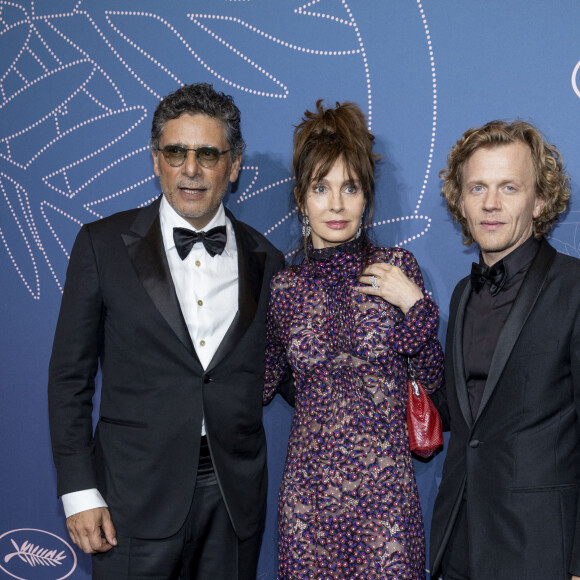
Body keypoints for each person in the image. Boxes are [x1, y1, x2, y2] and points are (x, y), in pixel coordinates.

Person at [48, 83, 286, 579]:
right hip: (130, 501)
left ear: (234, 164)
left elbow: (292, 368)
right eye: (176, 152)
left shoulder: (268, 260)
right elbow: (69, 379)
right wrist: (78, 489)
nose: (191, 169)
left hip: (232, 502)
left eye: (207, 154)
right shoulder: (102, 245)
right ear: (156, 160)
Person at [263, 100, 444, 578]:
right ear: (301, 198)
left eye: (350, 187)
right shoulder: (284, 288)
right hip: (309, 505)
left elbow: (432, 381)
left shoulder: (396, 268)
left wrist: (416, 306)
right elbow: (255, 385)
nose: (336, 204)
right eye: (321, 188)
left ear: (366, 197)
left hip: (386, 504)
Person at [429, 120, 580, 580]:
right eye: (477, 187)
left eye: (509, 187)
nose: (490, 203)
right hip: (457, 541)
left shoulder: (574, 288)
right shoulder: (460, 294)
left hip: (537, 548)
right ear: (460, 200)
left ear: (539, 201)